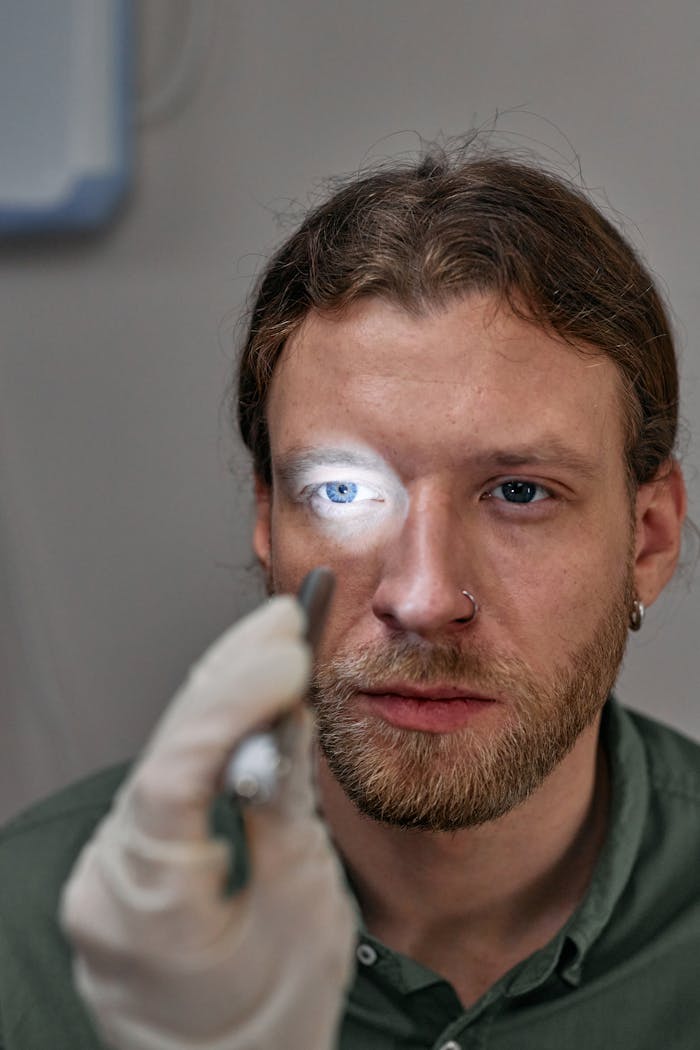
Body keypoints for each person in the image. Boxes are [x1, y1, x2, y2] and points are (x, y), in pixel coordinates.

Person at [0, 143, 697, 1050]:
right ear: (267, 524)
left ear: (649, 540)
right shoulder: (31, 945)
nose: (421, 596)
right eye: (341, 492)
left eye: (519, 491)